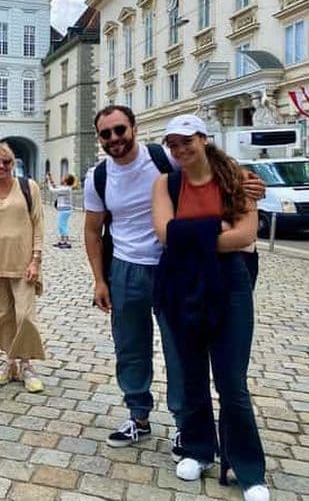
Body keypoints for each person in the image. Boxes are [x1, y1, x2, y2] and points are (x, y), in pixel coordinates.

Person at [83, 105, 265, 451]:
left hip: (176, 267)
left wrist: (251, 184)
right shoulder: (98, 176)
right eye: (106, 134)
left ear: (134, 128)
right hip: (125, 268)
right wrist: (99, 280)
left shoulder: (163, 157)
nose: (114, 138)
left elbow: (215, 168)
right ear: (99, 138)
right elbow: (93, 231)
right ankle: (138, 416)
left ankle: (187, 425)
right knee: (130, 347)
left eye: (120, 130)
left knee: (180, 350)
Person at [152, 114, 268, 501]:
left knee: (232, 381)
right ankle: (198, 448)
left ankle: (247, 467)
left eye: (187, 140)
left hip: (229, 280)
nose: (180, 149)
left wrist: (191, 236)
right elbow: (165, 234)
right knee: (191, 373)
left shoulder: (236, 178)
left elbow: (245, 234)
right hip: (182, 281)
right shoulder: (166, 184)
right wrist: (216, 228)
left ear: (204, 139)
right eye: (173, 144)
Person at [0, 142, 46, 393]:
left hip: (24, 265)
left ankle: (26, 365)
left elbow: (38, 224)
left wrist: (36, 260)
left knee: (25, 316)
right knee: (4, 316)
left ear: (13, 163)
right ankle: (10, 363)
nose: (1, 166)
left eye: (6, 162)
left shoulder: (29, 188)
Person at [48, 173, 76, 248]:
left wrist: (48, 182)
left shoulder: (66, 189)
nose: (62, 178)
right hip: (63, 210)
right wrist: (51, 180)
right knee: (61, 225)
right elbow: (56, 186)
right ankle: (62, 241)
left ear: (66, 180)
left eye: (64, 178)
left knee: (62, 225)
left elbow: (52, 190)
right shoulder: (65, 188)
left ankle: (66, 242)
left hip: (65, 210)